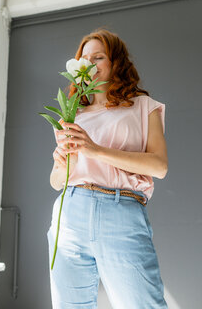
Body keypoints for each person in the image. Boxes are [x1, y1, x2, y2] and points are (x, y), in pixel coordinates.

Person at [47, 29, 169, 309]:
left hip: (121, 211)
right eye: (84, 58)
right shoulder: (73, 114)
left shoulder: (143, 106)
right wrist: (64, 164)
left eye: (98, 57)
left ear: (116, 62)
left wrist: (95, 150)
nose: (89, 64)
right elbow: (56, 182)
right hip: (70, 213)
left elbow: (159, 166)